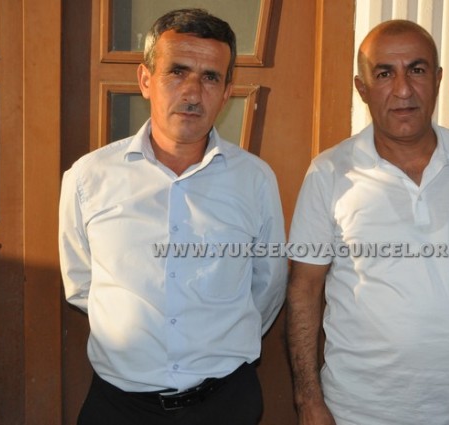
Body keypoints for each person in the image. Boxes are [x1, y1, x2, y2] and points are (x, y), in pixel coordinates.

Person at [286, 20, 449, 425]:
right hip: (356, 409)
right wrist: (307, 397)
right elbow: (304, 287)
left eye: (416, 70)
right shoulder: (329, 172)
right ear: (362, 88)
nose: (403, 89)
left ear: (437, 79)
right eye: (384, 74)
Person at [58, 9, 287, 425]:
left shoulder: (255, 180)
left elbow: (267, 285)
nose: (193, 92)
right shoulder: (89, 177)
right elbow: (81, 284)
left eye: (210, 77)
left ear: (227, 91)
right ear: (146, 79)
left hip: (225, 405)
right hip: (119, 408)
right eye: (177, 72)